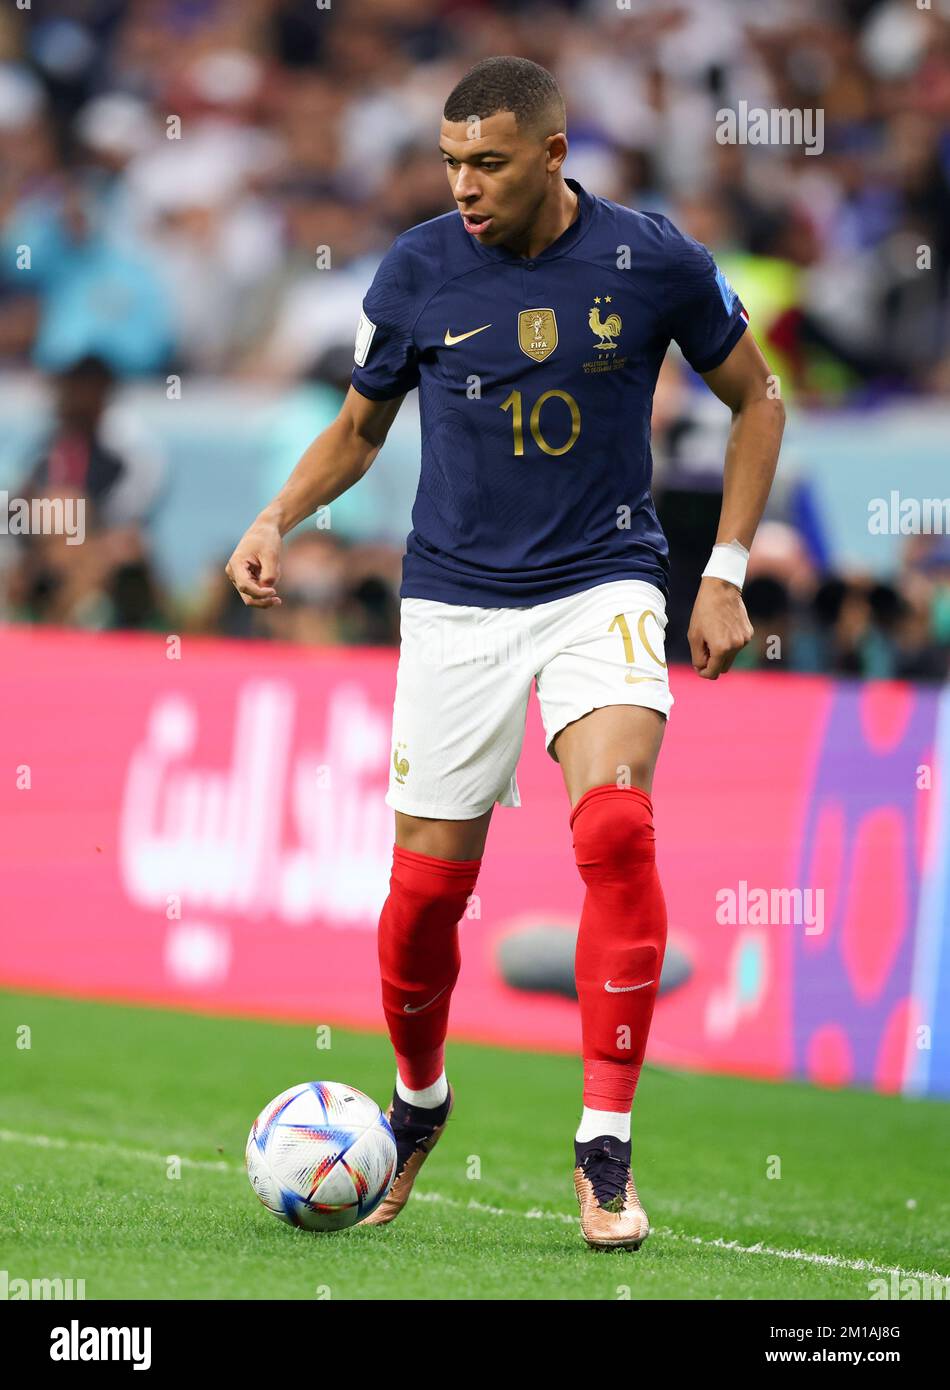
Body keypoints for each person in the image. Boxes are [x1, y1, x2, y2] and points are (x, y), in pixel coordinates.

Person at [225, 56, 784, 1251]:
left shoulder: (654, 261)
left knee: (615, 829)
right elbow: (360, 426)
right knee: (425, 898)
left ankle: (602, 1143)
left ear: (551, 153)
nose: (463, 186)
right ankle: (419, 1102)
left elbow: (759, 400)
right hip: (457, 599)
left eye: (486, 162)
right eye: (450, 163)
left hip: (604, 579)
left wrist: (724, 569)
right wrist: (278, 514)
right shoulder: (419, 267)